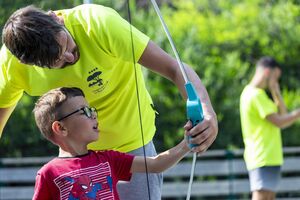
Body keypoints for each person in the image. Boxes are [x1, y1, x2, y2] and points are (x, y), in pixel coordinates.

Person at [0, 4, 218, 199]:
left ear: (56, 18)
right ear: (26, 63)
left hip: (131, 146)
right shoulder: (11, 66)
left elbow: (174, 68)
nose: (69, 57)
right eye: (56, 62)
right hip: (76, 158)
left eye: (65, 43)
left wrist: (206, 113)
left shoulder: (99, 23)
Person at [32, 87, 191, 200]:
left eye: (92, 110)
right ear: (60, 128)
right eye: (85, 111)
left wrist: (187, 143)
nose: (94, 115)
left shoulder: (108, 159)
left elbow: (156, 164)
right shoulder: (48, 173)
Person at [240, 56, 300, 200]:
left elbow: (283, 116)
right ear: (267, 72)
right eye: (275, 77)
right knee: (261, 196)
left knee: (268, 197)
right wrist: (298, 113)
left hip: (269, 157)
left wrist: (276, 91)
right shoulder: (255, 95)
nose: (276, 81)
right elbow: (279, 121)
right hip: (262, 156)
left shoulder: (255, 94)